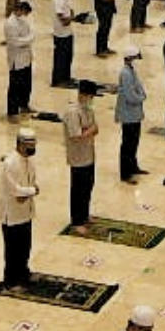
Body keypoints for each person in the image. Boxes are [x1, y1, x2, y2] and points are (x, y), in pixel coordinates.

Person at [0, 130, 41, 287]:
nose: (33, 148)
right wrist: (32, 191)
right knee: (12, 250)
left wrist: (29, 191)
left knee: (25, 247)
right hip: (12, 214)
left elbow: (32, 185)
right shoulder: (10, 163)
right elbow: (16, 192)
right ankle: (10, 280)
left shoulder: (30, 161)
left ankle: (23, 272)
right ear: (21, 144)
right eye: (30, 145)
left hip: (26, 212)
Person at [61, 80, 100, 227]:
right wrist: (89, 131)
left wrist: (88, 131)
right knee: (78, 189)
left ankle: (85, 214)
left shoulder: (88, 110)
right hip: (77, 156)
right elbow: (76, 135)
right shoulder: (72, 112)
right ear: (83, 95)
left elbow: (95, 128)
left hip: (89, 154)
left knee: (88, 186)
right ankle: (76, 221)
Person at [113, 52, 148, 181]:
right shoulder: (126, 74)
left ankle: (133, 167)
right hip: (128, 115)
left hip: (134, 114)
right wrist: (141, 98)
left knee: (134, 142)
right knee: (128, 144)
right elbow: (130, 95)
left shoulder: (132, 71)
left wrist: (142, 95)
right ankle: (125, 173)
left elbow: (139, 86)